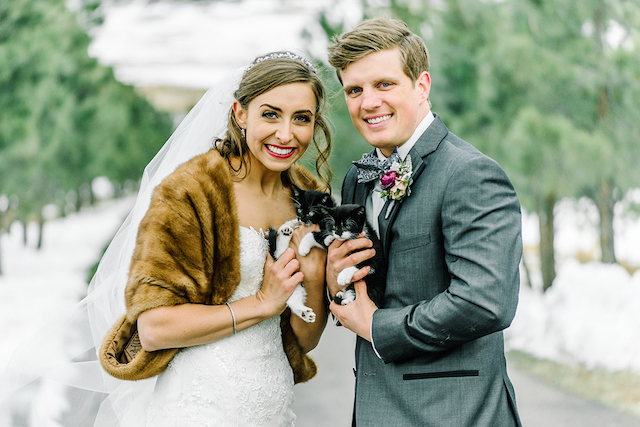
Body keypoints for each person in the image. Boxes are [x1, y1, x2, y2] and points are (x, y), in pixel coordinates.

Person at [0, 52, 332, 427]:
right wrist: (260, 303)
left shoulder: (309, 197)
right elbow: (153, 329)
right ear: (240, 114)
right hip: (198, 407)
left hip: (274, 405)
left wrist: (316, 276)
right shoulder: (189, 193)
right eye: (271, 114)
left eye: (301, 118)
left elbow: (304, 341)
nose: (286, 134)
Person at [325, 17, 523, 426]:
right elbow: (372, 286)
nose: (367, 103)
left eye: (384, 85)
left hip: (453, 412)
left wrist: (378, 326)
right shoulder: (358, 176)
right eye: (354, 90)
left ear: (422, 86)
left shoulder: (470, 174)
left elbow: (484, 301)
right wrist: (338, 277)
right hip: (375, 409)